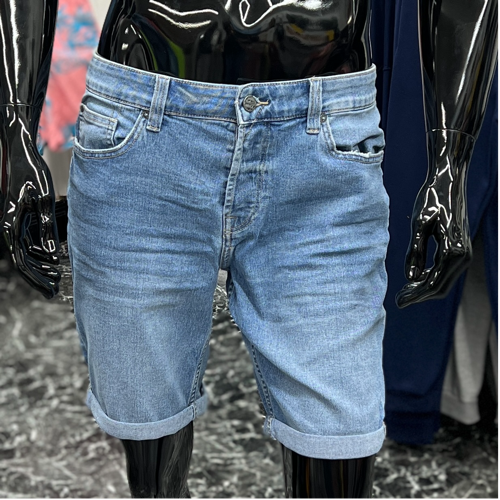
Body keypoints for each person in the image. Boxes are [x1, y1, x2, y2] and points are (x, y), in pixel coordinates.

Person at [0, 1, 498, 498]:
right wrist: (15, 133)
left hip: (324, 148)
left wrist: (451, 160)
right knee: (149, 438)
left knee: (339, 434)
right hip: (142, 141)